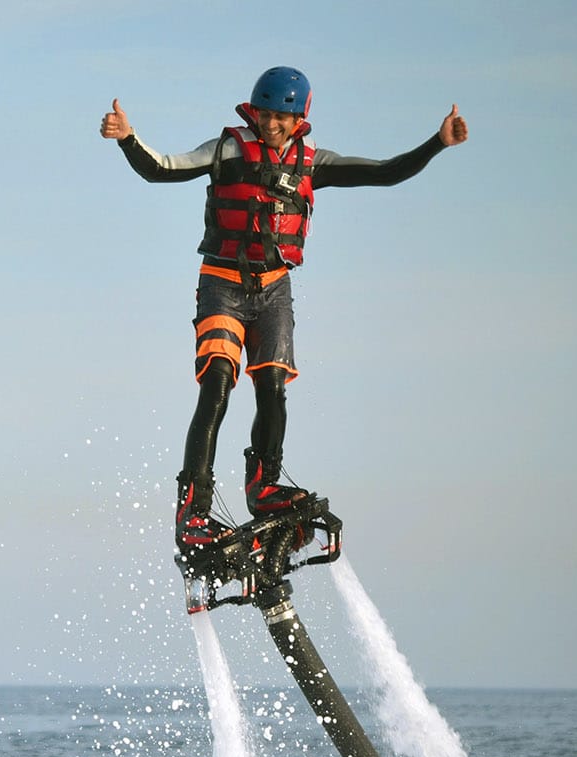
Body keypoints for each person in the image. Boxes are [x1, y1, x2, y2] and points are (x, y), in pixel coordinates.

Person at [99, 67, 468, 550]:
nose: (272, 126)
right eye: (265, 115)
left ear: (300, 118)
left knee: (272, 386)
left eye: (282, 118)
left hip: (274, 289)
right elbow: (161, 167)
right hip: (223, 283)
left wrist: (436, 143)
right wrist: (128, 139)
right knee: (217, 384)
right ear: (253, 112)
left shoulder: (314, 163)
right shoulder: (226, 149)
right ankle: (193, 509)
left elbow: (384, 172)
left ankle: (263, 486)